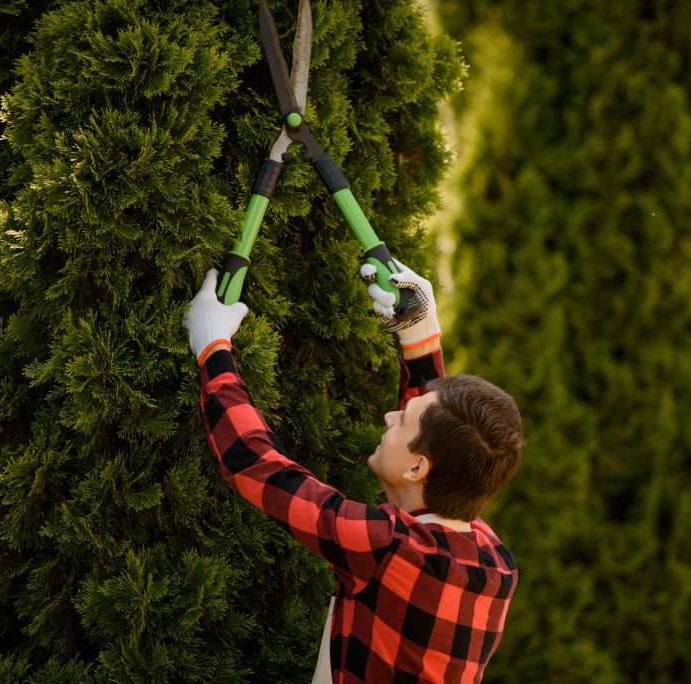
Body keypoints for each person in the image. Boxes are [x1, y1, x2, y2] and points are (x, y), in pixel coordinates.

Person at [183, 262, 523, 683]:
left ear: (419, 467)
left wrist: (212, 350)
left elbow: (259, 467)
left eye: (402, 420)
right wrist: (420, 340)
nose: (388, 416)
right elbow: (446, 448)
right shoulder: (495, 562)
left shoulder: (391, 549)